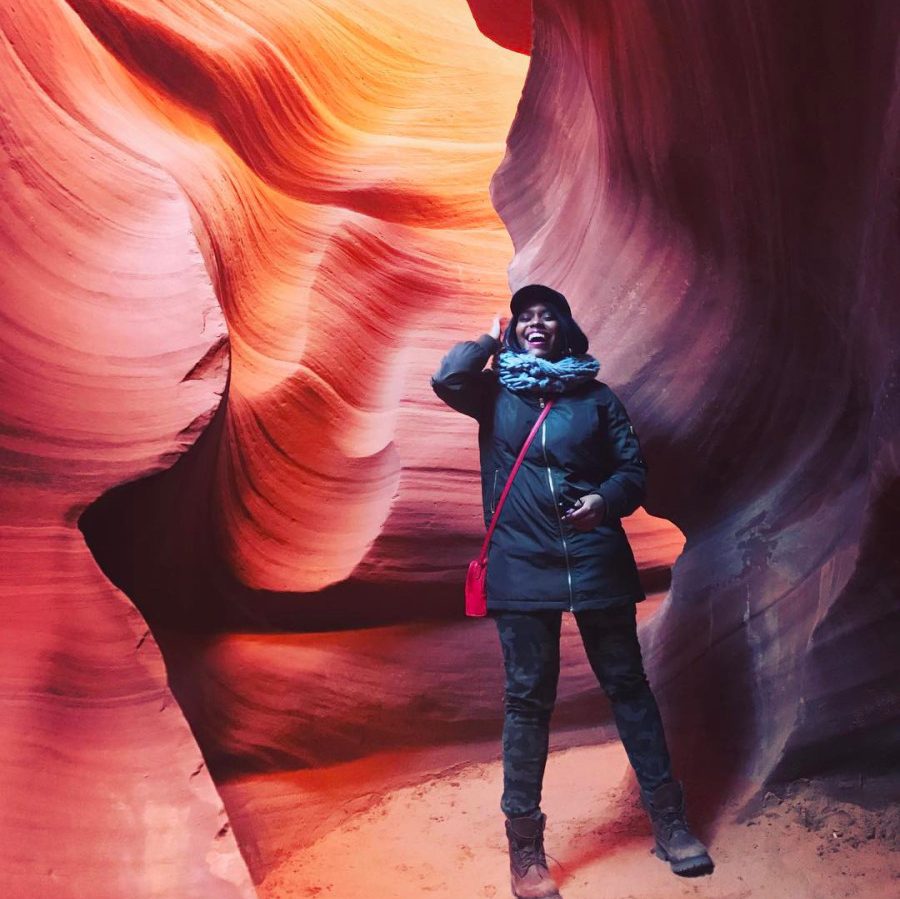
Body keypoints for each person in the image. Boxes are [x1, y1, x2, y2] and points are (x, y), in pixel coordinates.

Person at [431, 284, 713, 898]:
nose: (537, 325)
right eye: (527, 318)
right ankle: (526, 852)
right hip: (520, 562)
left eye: (548, 317)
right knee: (528, 699)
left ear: (565, 328)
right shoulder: (494, 391)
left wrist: (603, 502)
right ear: (516, 330)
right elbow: (447, 378)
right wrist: (487, 337)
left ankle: (670, 822)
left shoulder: (596, 398)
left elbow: (632, 472)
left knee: (628, 686)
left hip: (594, 557)